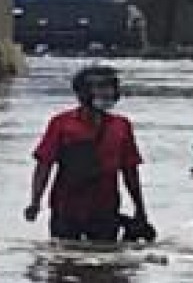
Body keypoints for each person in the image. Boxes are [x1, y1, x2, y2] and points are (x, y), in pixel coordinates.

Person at [26, 65, 154, 242]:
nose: (107, 93)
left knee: (104, 262)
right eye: (101, 88)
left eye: (111, 87)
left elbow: (130, 171)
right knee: (64, 262)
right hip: (66, 208)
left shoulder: (121, 126)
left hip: (105, 208)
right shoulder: (61, 124)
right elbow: (44, 165)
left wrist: (140, 208)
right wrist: (35, 202)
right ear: (82, 92)